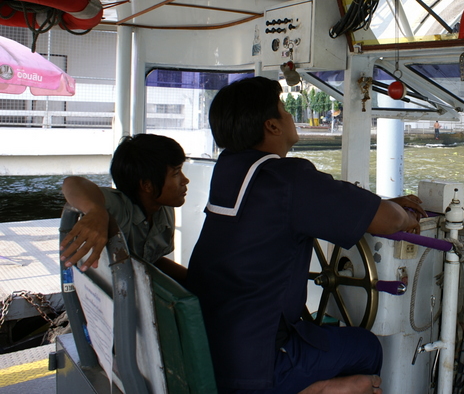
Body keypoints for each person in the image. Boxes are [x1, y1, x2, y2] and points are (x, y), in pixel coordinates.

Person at [186, 77, 424, 394]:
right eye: (285, 109)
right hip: (258, 366)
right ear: (272, 126)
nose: (290, 116)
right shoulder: (288, 178)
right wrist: (406, 215)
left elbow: (295, 211)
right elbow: (387, 221)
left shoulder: (229, 170)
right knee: (366, 348)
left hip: (209, 350)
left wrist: (379, 205)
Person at [60, 134, 190, 282]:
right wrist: (95, 211)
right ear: (147, 185)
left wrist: (195, 280)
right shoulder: (119, 208)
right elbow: (72, 183)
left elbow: (151, 261)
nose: (185, 180)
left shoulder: (163, 210)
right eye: (176, 173)